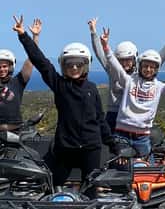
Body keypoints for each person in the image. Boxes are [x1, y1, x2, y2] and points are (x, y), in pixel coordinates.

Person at [13, 14, 114, 187]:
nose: (74, 67)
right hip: (65, 148)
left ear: (85, 65)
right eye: (69, 64)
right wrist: (24, 36)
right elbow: (41, 61)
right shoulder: (60, 85)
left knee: (91, 190)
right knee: (53, 188)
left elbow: (99, 118)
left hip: (91, 148)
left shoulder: (91, 88)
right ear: (63, 66)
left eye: (78, 64)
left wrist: (112, 144)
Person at [88, 17, 165, 133]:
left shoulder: (140, 73)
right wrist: (93, 32)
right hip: (113, 114)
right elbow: (100, 53)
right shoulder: (113, 69)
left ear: (134, 59)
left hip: (132, 116)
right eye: (121, 60)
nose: (124, 63)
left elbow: (160, 57)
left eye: (128, 59)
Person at [0, 17, 42, 130]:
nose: (2, 69)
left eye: (4, 66)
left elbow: (32, 58)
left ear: (10, 67)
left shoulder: (17, 82)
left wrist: (35, 37)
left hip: (16, 133)